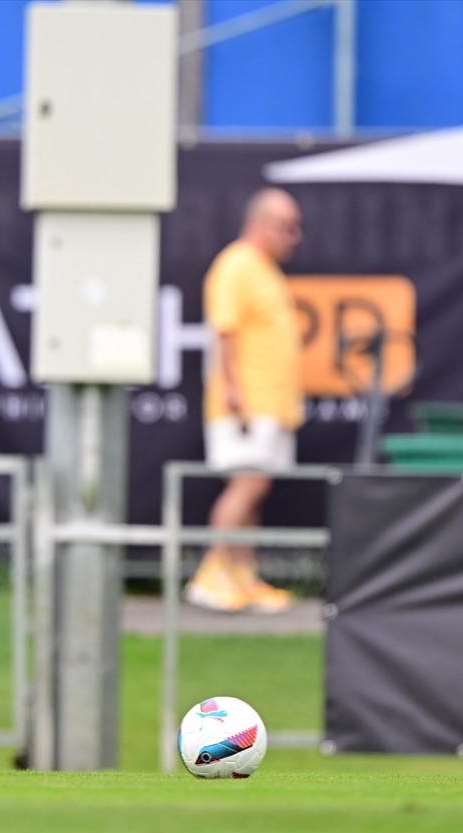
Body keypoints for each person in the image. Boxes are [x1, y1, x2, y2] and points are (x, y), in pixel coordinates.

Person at [185, 187, 305, 614]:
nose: (295, 236)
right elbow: (225, 332)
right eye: (287, 227)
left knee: (257, 485)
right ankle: (212, 574)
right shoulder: (236, 265)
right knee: (247, 482)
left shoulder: (265, 270)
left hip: (272, 405)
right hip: (245, 404)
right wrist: (235, 390)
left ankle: (242, 575)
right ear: (261, 224)